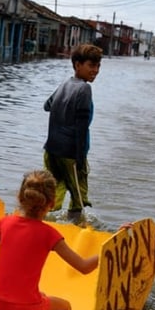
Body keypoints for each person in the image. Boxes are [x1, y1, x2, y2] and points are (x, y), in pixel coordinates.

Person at [0, 170, 99, 310]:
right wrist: (110, 249)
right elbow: (83, 267)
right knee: (66, 309)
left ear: (20, 196)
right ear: (52, 203)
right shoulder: (49, 234)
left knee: (41, 296)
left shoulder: (4, 223)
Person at [43, 43, 102, 220]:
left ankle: (47, 225)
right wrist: (80, 159)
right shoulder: (84, 88)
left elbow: (47, 106)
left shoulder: (65, 84)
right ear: (77, 64)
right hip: (71, 153)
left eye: (98, 66)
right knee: (78, 196)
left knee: (54, 192)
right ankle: (74, 229)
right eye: (91, 65)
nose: (96, 71)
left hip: (51, 150)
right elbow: (81, 128)